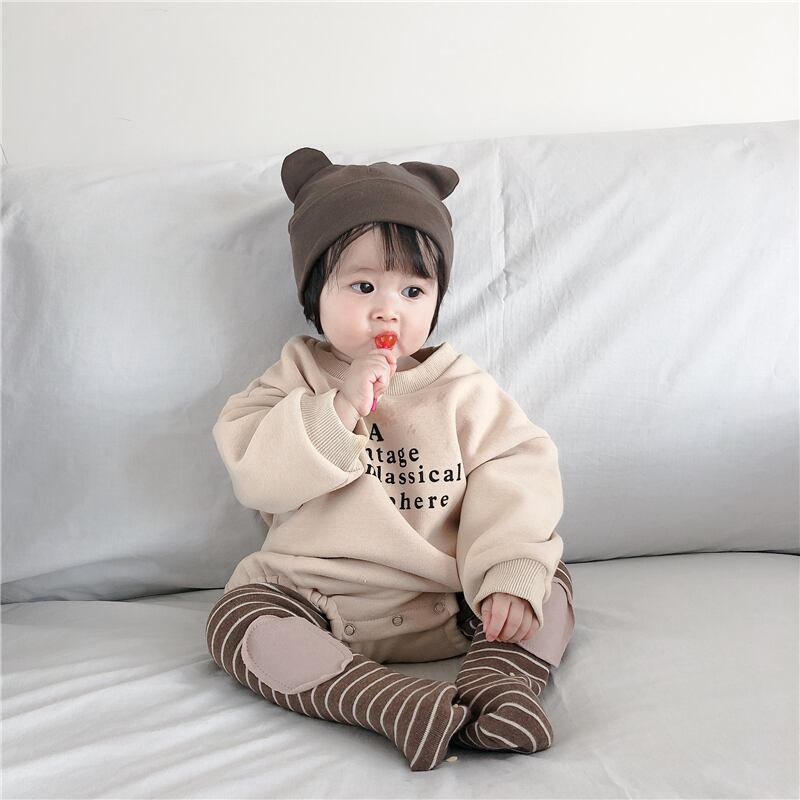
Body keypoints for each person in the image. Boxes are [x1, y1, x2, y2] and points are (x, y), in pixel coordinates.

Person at [205, 147, 576, 772]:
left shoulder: (462, 389)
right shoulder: (294, 377)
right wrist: (338, 409)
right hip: (321, 601)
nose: (389, 309)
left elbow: (518, 477)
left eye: (413, 289)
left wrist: (507, 572)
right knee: (237, 621)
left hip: (453, 596)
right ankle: (388, 702)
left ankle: (500, 682)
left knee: (544, 577)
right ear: (315, 293)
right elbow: (255, 472)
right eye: (363, 286)